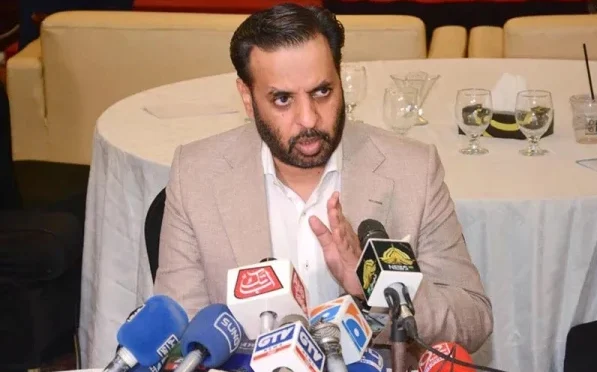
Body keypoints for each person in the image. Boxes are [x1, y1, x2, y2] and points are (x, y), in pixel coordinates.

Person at [154, 3, 493, 353]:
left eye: (322, 92)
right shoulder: (196, 175)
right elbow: (178, 333)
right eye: (282, 99)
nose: (309, 119)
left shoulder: (413, 169)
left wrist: (375, 286)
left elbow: (472, 320)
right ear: (247, 97)